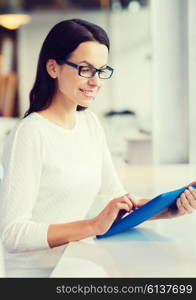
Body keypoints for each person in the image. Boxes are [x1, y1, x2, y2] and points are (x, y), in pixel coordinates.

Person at [0, 19, 196, 278]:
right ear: (52, 67)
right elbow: (12, 233)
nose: (96, 82)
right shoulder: (31, 133)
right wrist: (92, 225)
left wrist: (165, 210)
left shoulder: (89, 123)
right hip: (39, 274)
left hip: (77, 264)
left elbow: (115, 199)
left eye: (101, 71)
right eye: (85, 69)